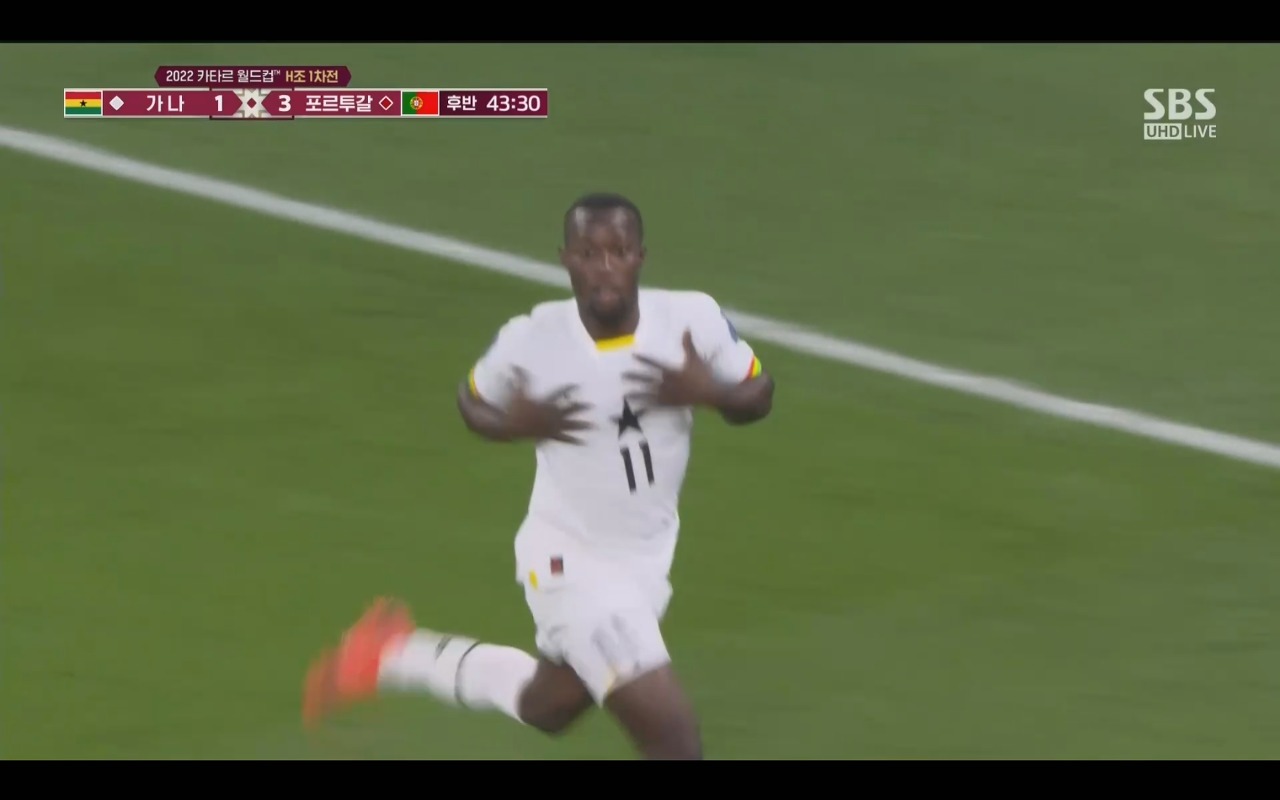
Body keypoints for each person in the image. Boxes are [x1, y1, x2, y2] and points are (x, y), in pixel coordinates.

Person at [302, 192, 775, 759]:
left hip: (646, 562)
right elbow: (472, 400)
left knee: (548, 706)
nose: (604, 266)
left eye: (619, 251)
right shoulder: (532, 337)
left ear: (641, 257)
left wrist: (711, 392)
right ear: (566, 259)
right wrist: (513, 425)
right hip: (568, 561)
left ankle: (393, 653)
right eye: (588, 253)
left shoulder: (691, 319)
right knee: (674, 743)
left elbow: (758, 394)